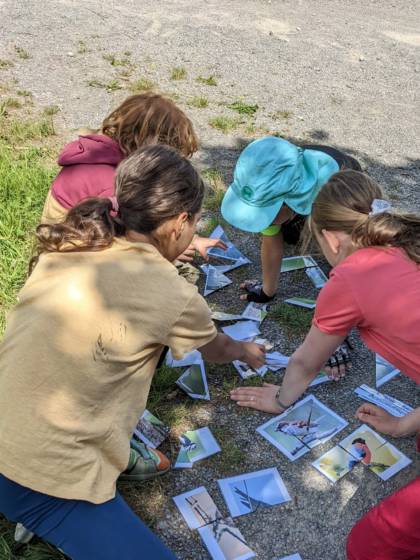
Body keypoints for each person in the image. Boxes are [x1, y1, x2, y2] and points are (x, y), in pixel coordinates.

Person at [0, 145, 265, 560]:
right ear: (180, 222)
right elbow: (218, 350)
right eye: (195, 223)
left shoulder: (73, 244)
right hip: (36, 479)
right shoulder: (174, 293)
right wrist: (246, 351)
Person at [230, 169, 420, 559]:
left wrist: (281, 402)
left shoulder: (351, 276)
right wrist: (406, 423)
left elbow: (306, 361)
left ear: (331, 238)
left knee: (370, 547)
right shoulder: (409, 241)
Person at [41, 92, 222, 267]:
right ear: (153, 146)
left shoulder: (100, 154)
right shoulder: (112, 183)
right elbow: (131, 242)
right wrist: (171, 247)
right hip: (78, 260)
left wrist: (192, 238)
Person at [221, 136, 361, 304]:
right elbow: (270, 239)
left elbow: (348, 254)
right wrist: (267, 291)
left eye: (268, 213)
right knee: (290, 236)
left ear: (291, 202)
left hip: (342, 186)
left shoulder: (335, 200)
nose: (264, 223)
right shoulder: (275, 189)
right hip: (302, 193)